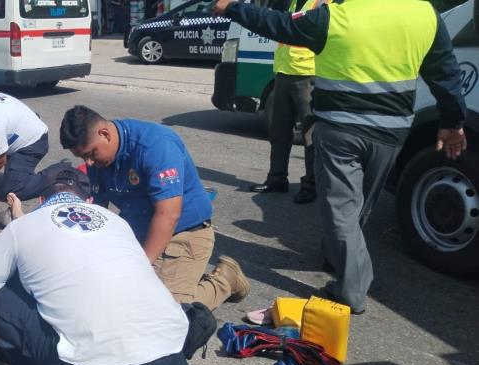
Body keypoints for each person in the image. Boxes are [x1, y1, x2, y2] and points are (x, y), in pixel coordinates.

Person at [214, 0, 467, 314]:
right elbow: (445, 72)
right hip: (391, 131)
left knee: (342, 210)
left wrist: (233, 8)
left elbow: (278, 24)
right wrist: (452, 122)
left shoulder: (335, 16)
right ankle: (338, 256)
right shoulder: (424, 14)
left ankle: (350, 291)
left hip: (340, 129)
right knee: (358, 206)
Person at [0, 165, 192, 365]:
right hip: (171, 356)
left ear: (41, 198)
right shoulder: (118, 222)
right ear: (89, 200)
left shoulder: (19, 229)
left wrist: (5, 344)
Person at [60, 105, 250, 310]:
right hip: (138, 231)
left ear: (104, 133)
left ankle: (225, 281)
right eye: (82, 158)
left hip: (184, 233)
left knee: (165, 311)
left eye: (91, 154)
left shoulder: (155, 146)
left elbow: (168, 214)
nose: (88, 162)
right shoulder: (99, 159)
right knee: (111, 295)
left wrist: (141, 266)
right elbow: (98, 210)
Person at [248, 0, 322, 204]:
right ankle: (276, 179)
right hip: (283, 71)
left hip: (308, 73)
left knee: (310, 135)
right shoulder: (294, 3)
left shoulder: (321, 2)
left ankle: (311, 185)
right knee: (279, 131)